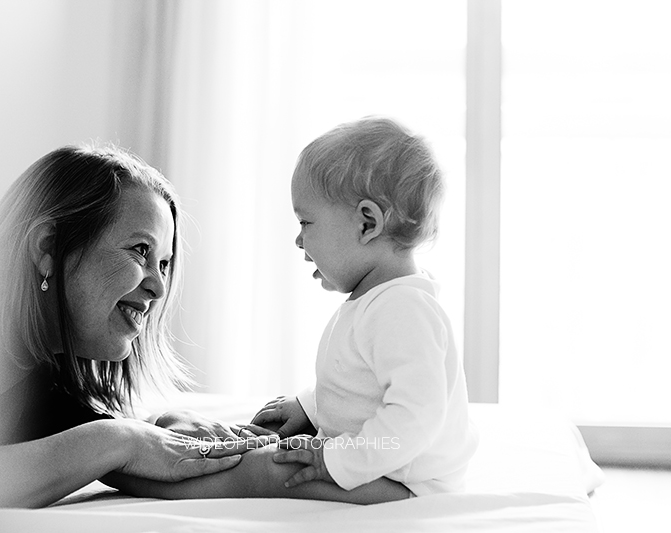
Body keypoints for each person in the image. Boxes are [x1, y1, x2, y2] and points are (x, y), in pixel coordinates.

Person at [113, 116, 478, 504]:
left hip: (407, 482)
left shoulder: (404, 310)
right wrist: (308, 406)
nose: (299, 240)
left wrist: (334, 460)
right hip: (381, 465)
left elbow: (416, 417)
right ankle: (159, 453)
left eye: (306, 222)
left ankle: (157, 477)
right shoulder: (380, 302)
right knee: (273, 445)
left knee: (275, 468)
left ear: (367, 223)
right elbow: (359, 386)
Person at [0, 144, 270, 508]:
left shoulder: (42, 393)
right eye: (141, 250)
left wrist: (155, 427)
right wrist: (119, 439)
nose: (158, 288)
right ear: (49, 246)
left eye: (164, 264)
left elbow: (174, 469)